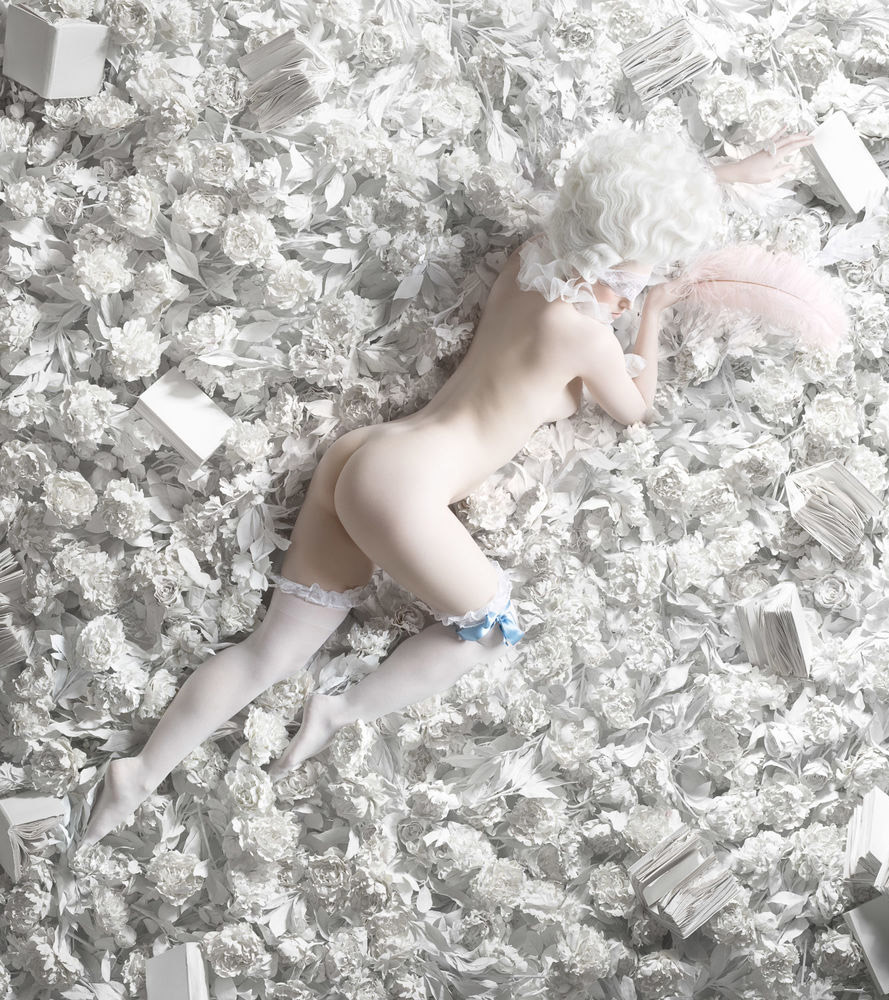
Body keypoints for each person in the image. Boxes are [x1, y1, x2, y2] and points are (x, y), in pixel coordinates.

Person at [76, 124, 813, 851]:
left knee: (271, 653)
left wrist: (729, 172)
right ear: (609, 253)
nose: (631, 292)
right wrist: (655, 313)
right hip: (402, 490)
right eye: (630, 277)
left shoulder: (529, 260)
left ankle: (139, 772)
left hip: (368, 454)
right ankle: (340, 713)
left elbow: (629, 199)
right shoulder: (586, 339)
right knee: (491, 631)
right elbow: (638, 407)